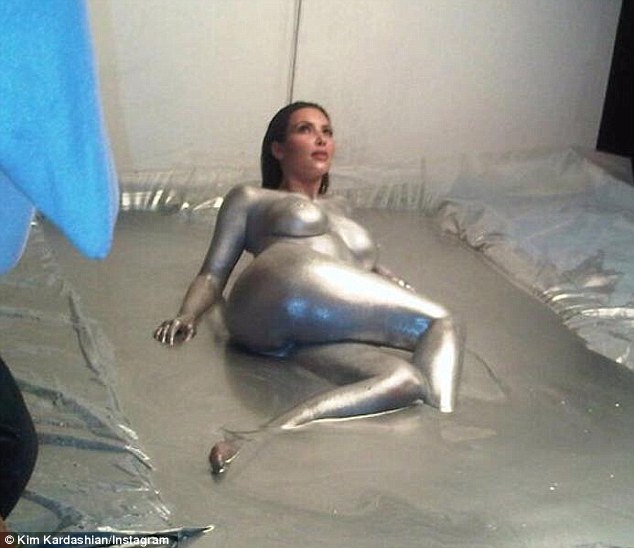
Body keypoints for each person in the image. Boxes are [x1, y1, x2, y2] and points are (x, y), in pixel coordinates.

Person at [154, 101, 464, 474]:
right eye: (305, 129)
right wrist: (187, 314)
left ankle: (257, 437)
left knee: (406, 380)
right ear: (278, 149)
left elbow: (358, 272)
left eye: (327, 132)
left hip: (315, 323)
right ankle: (446, 439)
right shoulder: (252, 198)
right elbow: (213, 273)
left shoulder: (342, 208)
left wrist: (389, 280)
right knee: (442, 322)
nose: (320, 139)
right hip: (282, 282)